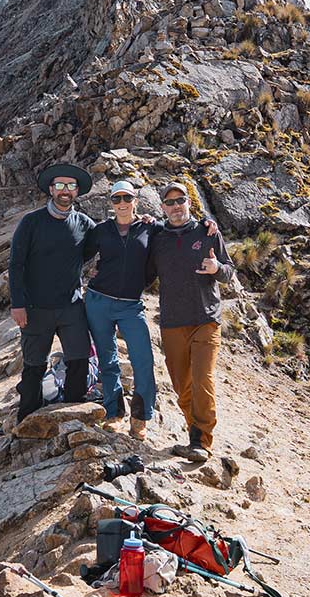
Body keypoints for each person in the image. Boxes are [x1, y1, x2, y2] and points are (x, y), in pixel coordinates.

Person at [84, 182, 219, 441]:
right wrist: (89, 272)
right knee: (107, 360)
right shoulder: (100, 230)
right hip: (98, 301)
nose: (122, 203)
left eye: (127, 197)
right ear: (111, 203)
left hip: (131, 305)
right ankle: (114, 414)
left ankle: (140, 418)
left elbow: (180, 227)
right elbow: (79, 255)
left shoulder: (151, 227)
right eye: (116, 198)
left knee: (144, 362)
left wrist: (208, 222)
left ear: (136, 201)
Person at [147, 182, 235, 462]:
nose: (175, 207)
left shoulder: (207, 232)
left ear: (189, 203)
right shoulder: (157, 237)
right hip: (172, 321)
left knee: (202, 379)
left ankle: (201, 441)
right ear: (163, 207)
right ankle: (193, 432)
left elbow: (229, 270)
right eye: (169, 203)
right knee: (182, 385)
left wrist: (217, 268)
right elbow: (143, 269)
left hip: (205, 319)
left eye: (180, 200)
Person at [9, 162, 95, 423]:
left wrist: (143, 222)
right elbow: (16, 264)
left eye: (70, 186)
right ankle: (28, 418)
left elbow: (108, 240)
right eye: (60, 185)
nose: (65, 191)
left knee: (79, 358)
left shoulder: (83, 223)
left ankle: (73, 412)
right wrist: (18, 304)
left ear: (77, 191)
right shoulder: (31, 222)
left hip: (71, 306)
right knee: (35, 364)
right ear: (51, 189)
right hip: (35, 308)